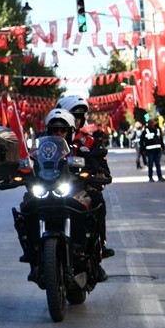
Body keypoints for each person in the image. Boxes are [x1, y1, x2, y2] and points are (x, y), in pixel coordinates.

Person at [56, 94, 113, 258]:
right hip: (50, 186)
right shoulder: (47, 140)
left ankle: (98, 248)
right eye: (74, 116)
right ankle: (33, 250)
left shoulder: (88, 141)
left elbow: (101, 162)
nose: (77, 120)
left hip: (78, 187)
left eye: (80, 117)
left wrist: (99, 173)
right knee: (27, 202)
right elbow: (33, 159)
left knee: (97, 200)